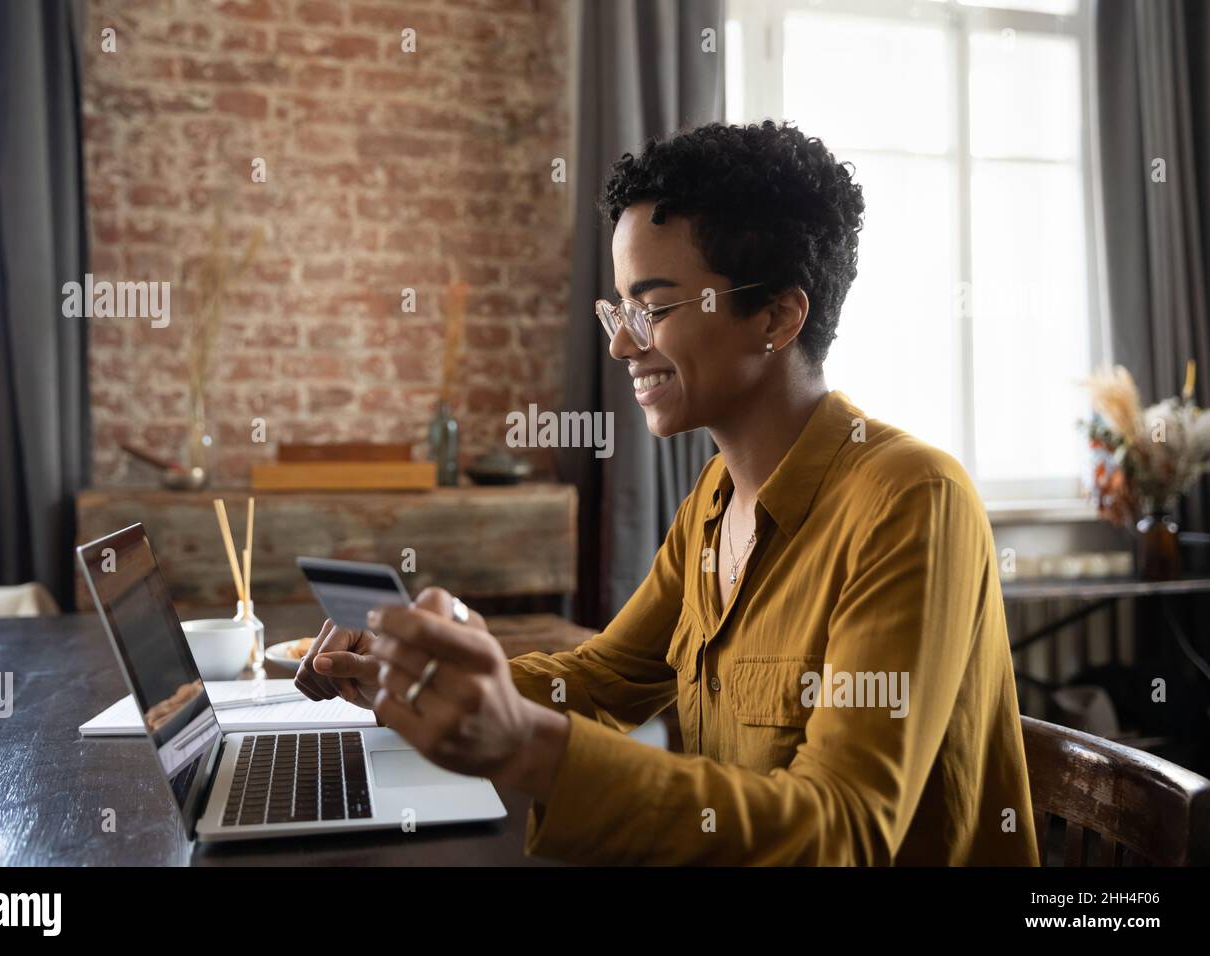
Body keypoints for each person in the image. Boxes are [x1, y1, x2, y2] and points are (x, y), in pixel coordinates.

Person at [296, 120, 1038, 865]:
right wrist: (415, 678)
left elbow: (843, 831)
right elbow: (602, 679)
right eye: (619, 308)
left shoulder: (913, 500)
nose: (622, 342)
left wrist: (528, 745)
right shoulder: (714, 502)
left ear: (778, 315)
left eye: (652, 306)